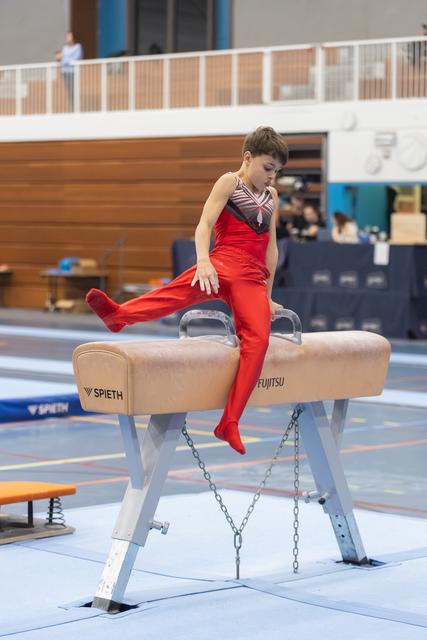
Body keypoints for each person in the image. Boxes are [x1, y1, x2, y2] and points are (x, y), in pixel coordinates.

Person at [86, 126, 288, 455]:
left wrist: (266, 295)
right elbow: (204, 225)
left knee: (259, 341)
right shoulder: (229, 182)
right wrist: (204, 261)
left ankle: (230, 422)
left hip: (252, 277)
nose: (272, 177)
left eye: (277, 172)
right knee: (176, 293)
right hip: (222, 263)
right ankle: (119, 315)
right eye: (268, 168)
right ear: (248, 158)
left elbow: (272, 250)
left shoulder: (272, 197)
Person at [55, 32, 83, 106]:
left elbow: (76, 59)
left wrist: (64, 58)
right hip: (65, 72)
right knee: (69, 89)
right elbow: (62, 61)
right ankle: (72, 104)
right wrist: (62, 59)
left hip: (73, 72)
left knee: (74, 89)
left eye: (69, 36)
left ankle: (76, 105)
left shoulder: (77, 47)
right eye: (67, 36)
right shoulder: (65, 48)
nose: (67, 38)